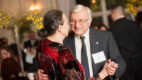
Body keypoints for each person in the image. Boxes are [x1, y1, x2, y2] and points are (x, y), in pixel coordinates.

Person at [36, 10, 117, 80]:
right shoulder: (63, 53)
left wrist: (36, 76)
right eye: (67, 22)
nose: (69, 26)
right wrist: (102, 74)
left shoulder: (42, 45)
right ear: (60, 28)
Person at [63, 4, 126, 80]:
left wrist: (113, 70)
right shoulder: (65, 42)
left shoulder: (104, 37)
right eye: (73, 21)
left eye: (81, 21)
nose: (77, 25)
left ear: (89, 21)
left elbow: (120, 62)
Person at [109, 4, 142, 80]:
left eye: (111, 15)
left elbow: (112, 51)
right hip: (140, 61)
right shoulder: (136, 25)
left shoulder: (111, 30)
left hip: (124, 65)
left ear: (114, 14)